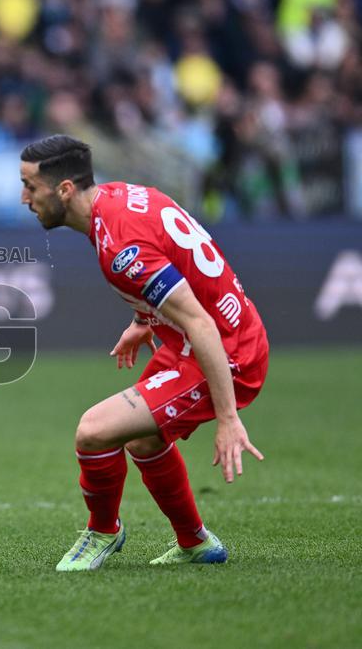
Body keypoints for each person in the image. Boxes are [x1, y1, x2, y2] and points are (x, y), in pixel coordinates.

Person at [18, 135, 268, 571]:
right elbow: (172, 261)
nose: (24, 198)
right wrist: (144, 320)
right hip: (200, 336)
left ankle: (103, 532)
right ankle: (195, 542)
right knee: (141, 436)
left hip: (224, 351)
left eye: (30, 187)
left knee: (93, 431)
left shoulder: (119, 245)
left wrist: (228, 419)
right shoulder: (119, 198)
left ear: (64, 190)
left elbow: (200, 322)